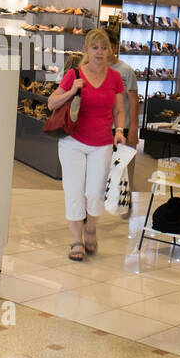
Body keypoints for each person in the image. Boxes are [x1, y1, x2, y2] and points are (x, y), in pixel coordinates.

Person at [48, 28, 126, 261]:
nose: (100, 53)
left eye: (104, 48)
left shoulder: (115, 78)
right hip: (72, 142)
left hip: (101, 142)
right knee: (73, 191)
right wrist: (72, 90)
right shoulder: (74, 74)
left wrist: (119, 130)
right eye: (95, 48)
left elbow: (119, 110)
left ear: (110, 51)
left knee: (95, 192)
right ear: (86, 50)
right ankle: (76, 240)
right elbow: (52, 103)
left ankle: (91, 227)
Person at [106, 27, 140, 218]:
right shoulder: (97, 68)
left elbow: (134, 101)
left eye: (109, 46)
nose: (105, 50)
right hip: (103, 126)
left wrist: (134, 129)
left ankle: (126, 203)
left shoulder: (126, 71)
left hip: (123, 126)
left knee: (125, 166)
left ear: (115, 46)